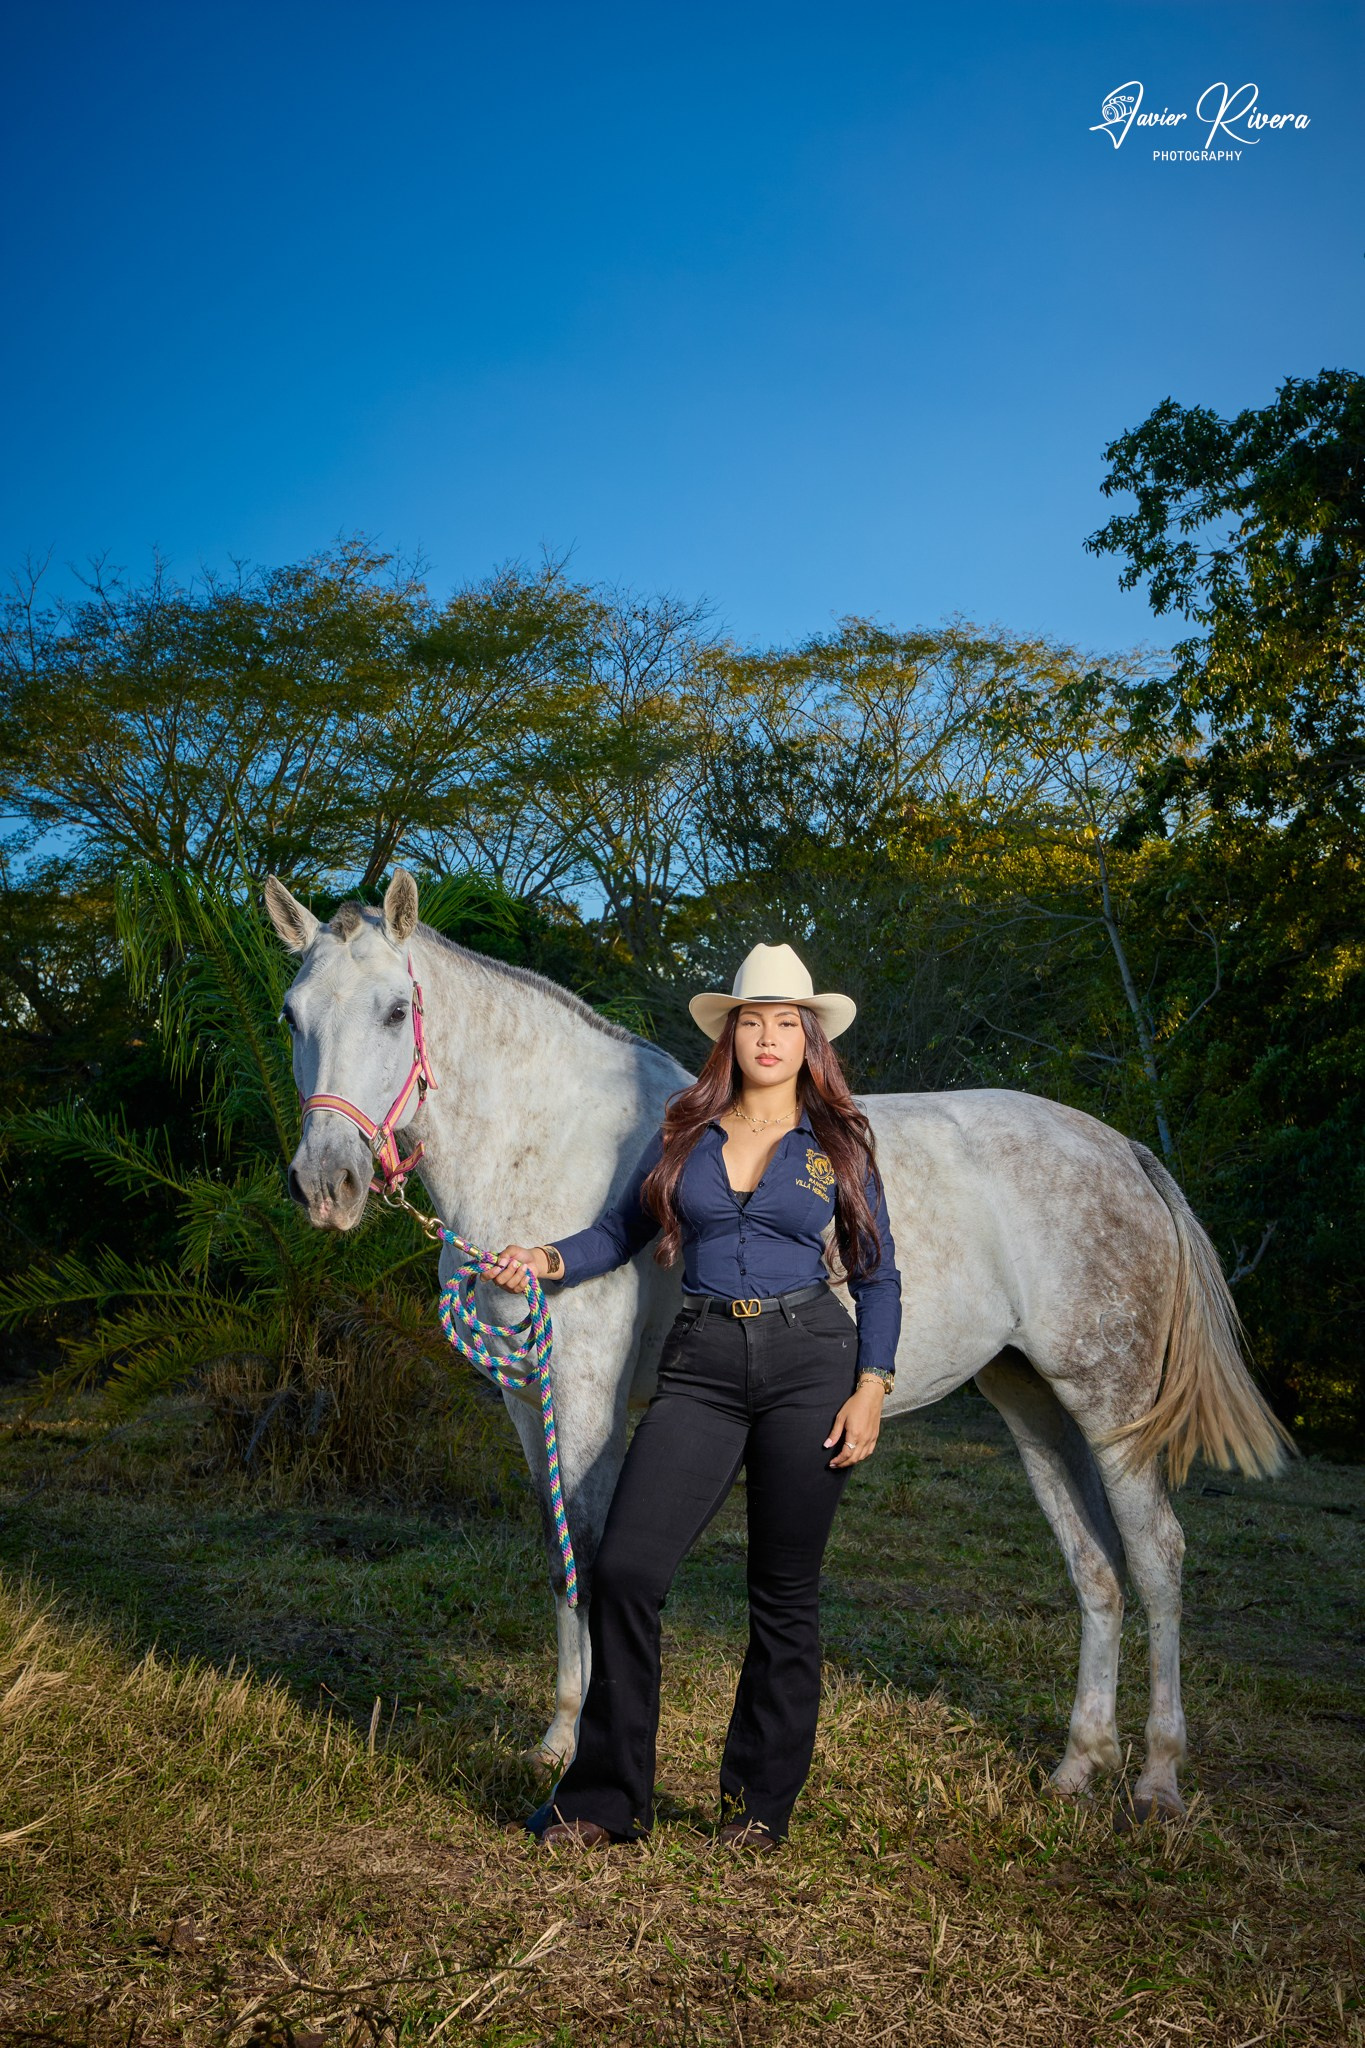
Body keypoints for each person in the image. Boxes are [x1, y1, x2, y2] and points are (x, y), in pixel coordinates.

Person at [489, 941, 902, 1852]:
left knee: (782, 1592)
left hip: (810, 1361)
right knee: (628, 1570)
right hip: (704, 1363)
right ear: (730, 1036)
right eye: (750, 1021)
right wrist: (547, 1261)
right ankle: (603, 1800)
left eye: (783, 1023)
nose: (766, 1037)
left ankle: (756, 1810)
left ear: (808, 1040)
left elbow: (877, 1277)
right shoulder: (684, 1132)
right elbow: (618, 1231)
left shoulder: (837, 1142)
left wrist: (870, 1387)